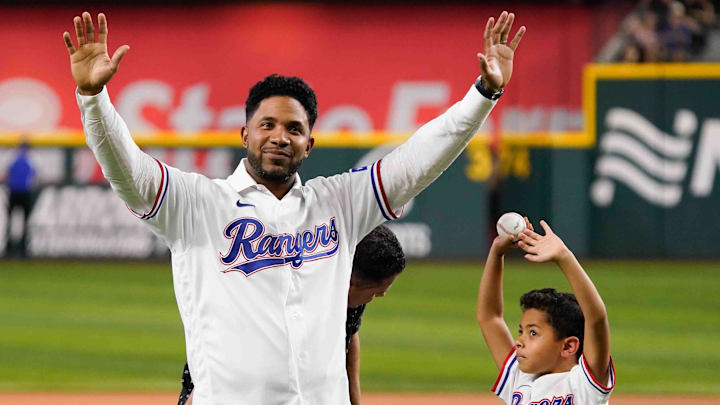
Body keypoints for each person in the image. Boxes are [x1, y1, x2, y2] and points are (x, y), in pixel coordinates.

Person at [63, 10, 525, 404]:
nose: (280, 136)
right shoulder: (197, 204)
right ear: (245, 135)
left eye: (293, 128)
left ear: (309, 144)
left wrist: (483, 95)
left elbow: (418, 160)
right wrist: (93, 99)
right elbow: (127, 169)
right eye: (267, 124)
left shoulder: (340, 203)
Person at [178, 225, 406, 405]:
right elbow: (226, 344)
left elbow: (347, 336)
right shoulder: (283, 294)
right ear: (348, 282)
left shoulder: (350, 283)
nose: (379, 296)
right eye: (376, 293)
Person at [476, 219, 615, 405]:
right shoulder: (519, 379)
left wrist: (564, 257)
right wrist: (496, 252)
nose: (519, 342)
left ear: (568, 346)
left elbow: (596, 319)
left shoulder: (582, 384)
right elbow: (489, 318)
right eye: (521, 332)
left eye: (532, 333)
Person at [5, 142, 36, 257]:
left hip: (14, 192)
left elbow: (6, 174)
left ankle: (10, 248)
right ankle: (23, 249)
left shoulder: (12, 156)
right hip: (24, 193)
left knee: (12, 221)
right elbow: (35, 176)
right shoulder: (32, 158)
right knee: (25, 221)